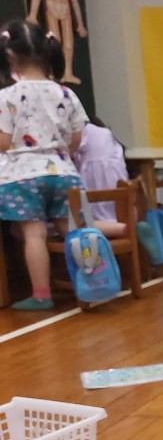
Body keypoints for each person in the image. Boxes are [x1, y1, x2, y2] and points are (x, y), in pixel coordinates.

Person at [0, 19, 86, 310]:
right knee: (73, 230)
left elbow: (4, 142)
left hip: (22, 176)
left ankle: (41, 295)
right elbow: (76, 138)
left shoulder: (6, 96)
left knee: (33, 234)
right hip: (64, 172)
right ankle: (93, 283)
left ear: (9, 55)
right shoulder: (66, 93)